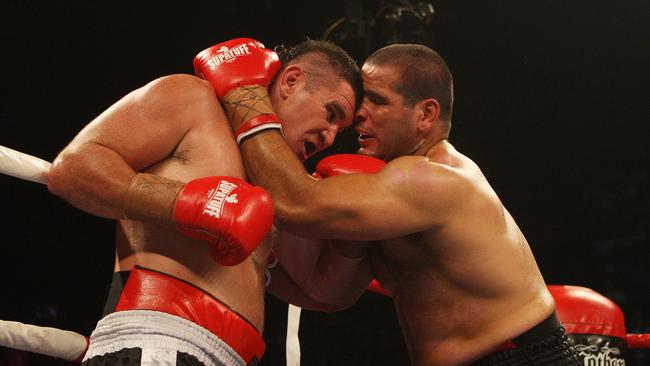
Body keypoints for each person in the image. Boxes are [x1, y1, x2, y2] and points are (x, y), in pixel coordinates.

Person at [207, 43, 582, 365]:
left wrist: (246, 97)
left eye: (378, 100)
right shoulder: (386, 194)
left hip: (520, 356)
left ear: (426, 115)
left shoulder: (431, 178)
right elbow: (325, 292)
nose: (358, 115)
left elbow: (296, 203)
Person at [45, 37, 363, 366]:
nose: (329, 137)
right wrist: (186, 203)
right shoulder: (193, 100)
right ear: (292, 80)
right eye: (331, 113)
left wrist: (359, 223)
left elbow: (323, 293)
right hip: (159, 342)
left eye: (340, 130)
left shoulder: (279, 190)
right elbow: (73, 169)